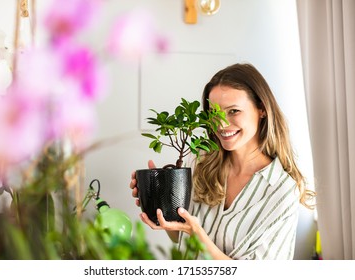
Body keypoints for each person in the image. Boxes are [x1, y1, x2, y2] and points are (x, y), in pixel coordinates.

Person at [129, 63, 315, 260]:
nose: (222, 124)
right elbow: (180, 236)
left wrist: (198, 235)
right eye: (214, 113)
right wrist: (161, 200)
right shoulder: (201, 162)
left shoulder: (281, 190)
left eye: (233, 111)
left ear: (262, 109)